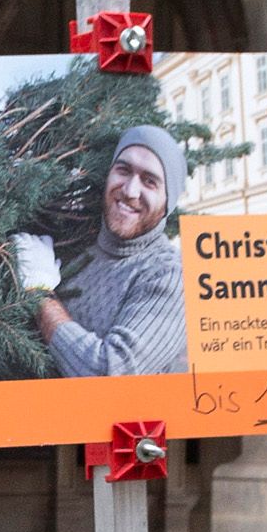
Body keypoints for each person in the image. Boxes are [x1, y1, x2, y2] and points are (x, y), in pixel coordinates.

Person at [37, 126, 189, 379]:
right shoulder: (75, 245)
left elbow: (111, 372)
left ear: (167, 202)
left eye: (149, 181)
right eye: (123, 170)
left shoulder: (170, 275)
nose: (130, 191)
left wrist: (40, 295)